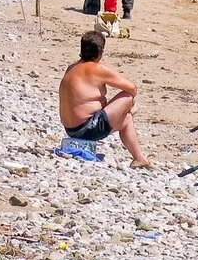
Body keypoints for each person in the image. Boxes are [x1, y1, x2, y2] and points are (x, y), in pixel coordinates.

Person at [59, 31, 151, 168]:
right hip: (87, 129)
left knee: (126, 119)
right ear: (100, 52)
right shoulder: (97, 69)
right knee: (127, 97)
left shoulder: (71, 68)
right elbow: (132, 88)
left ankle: (139, 158)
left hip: (70, 129)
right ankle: (130, 110)